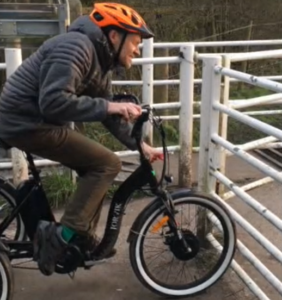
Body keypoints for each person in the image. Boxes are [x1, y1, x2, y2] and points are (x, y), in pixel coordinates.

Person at [0, 2, 163, 276]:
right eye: (135, 42)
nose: (137, 50)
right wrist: (111, 106)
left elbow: (107, 113)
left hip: (35, 122)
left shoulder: (99, 58)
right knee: (107, 164)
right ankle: (61, 238)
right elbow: (53, 102)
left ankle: (80, 237)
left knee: (95, 167)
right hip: (26, 123)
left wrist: (141, 146)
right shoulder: (76, 47)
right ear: (115, 36)